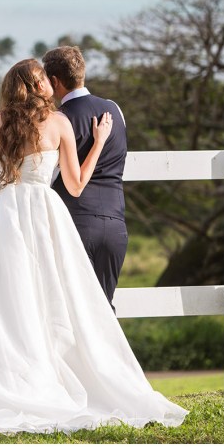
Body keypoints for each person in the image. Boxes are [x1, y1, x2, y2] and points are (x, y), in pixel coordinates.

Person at [0, 58, 187, 434]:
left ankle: (0, 374)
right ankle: (43, 371)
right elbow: (77, 185)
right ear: (41, 86)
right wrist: (98, 142)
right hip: (41, 212)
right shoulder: (59, 123)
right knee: (47, 293)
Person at [44, 46, 127, 311]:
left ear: (54, 81)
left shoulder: (58, 120)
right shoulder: (114, 110)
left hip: (75, 223)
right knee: (104, 312)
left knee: (74, 314)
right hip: (115, 224)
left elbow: (48, 175)